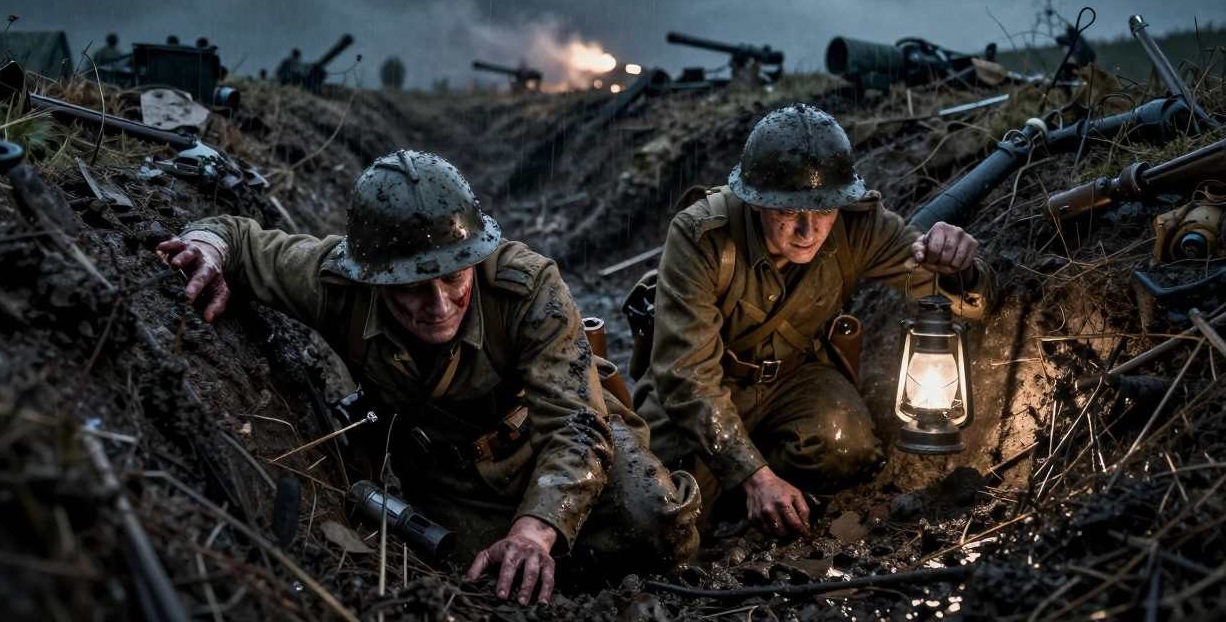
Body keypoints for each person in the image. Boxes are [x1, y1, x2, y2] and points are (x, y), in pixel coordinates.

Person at [157, 150, 699, 606]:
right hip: (448, 481)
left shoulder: (528, 287)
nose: (437, 304)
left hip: (543, 442)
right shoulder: (341, 282)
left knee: (660, 529)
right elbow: (241, 241)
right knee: (483, 589)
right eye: (410, 288)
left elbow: (578, 425)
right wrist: (207, 248)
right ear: (373, 278)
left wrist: (537, 528)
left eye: (454, 277)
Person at [633, 104, 997, 538]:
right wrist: (755, 476)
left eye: (823, 211)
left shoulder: (860, 226)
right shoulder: (702, 236)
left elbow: (967, 301)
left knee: (849, 448)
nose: (809, 232)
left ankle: (758, 501)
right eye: (790, 213)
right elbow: (685, 376)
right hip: (703, 394)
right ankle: (745, 492)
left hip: (795, 381)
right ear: (755, 201)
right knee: (660, 522)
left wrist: (961, 268)